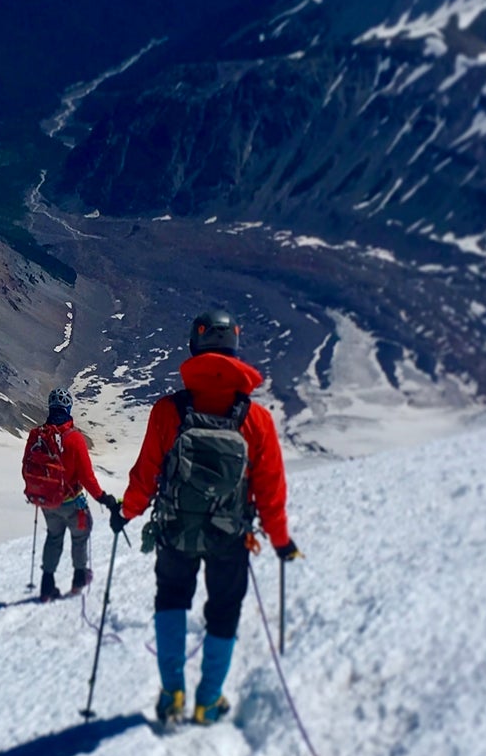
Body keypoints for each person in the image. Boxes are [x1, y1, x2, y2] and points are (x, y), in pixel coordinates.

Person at [110, 309, 298, 725]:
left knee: (172, 600)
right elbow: (270, 490)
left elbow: (145, 475)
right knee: (224, 610)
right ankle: (207, 700)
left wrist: (127, 512)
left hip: (176, 529)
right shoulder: (258, 420)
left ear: (194, 348)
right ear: (234, 349)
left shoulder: (167, 411)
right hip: (229, 537)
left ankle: (172, 694)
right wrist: (281, 541)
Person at [21, 387, 119, 602]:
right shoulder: (74, 439)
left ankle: (47, 587)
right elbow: (87, 477)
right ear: (68, 408)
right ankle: (79, 580)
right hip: (72, 502)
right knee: (80, 537)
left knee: (54, 537)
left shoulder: (37, 435)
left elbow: (26, 466)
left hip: (47, 502)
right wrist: (103, 498)